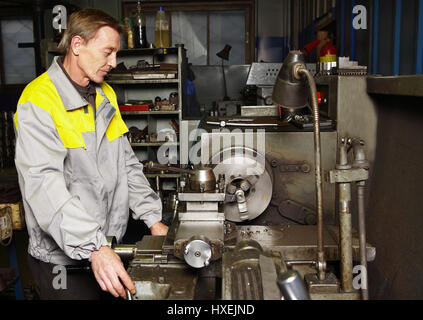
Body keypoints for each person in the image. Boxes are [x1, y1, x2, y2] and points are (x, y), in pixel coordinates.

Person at [14, 8, 168, 299]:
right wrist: (94, 246)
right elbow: (44, 185)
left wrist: (152, 219)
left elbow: (126, 164)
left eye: (116, 54)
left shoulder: (104, 94)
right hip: (62, 260)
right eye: (107, 52)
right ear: (77, 45)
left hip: (107, 248)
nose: (114, 63)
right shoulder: (38, 101)